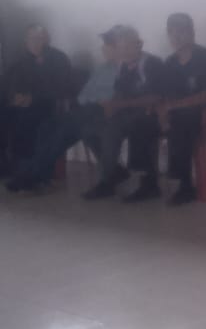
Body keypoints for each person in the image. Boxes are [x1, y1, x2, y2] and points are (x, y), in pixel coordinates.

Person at [6, 26, 123, 192]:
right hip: (84, 109)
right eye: (105, 44)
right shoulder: (104, 68)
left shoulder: (124, 70)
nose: (103, 48)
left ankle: (30, 176)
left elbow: (111, 98)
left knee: (62, 130)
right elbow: (84, 95)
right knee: (47, 127)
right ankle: (35, 175)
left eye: (108, 44)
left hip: (100, 111)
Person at [84, 27, 164, 203]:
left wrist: (119, 105)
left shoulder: (152, 63)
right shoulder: (122, 65)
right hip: (126, 113)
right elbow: (118, 92)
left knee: (121, 129)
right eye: (120, 48)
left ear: (139, 44)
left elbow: (156, 97)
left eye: (128, 47)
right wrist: (110, 104)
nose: (124, 52)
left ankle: (147, 184)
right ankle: (113, 174)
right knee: (90, 130)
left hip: (151, 114)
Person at [159, 13, 206, 206]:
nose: (176, 37)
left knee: (179, 124)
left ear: (192, 33)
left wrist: (173, 107)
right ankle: (147, 182)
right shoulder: (169, 62)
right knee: (144, 122)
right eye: (172, 33)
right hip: (177, 114)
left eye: (181, 32)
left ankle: (184, 185)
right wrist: (163, 114)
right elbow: (166, 96)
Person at [0, 24, 73, 169]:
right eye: (31, 38)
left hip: (47, 103)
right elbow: (8, 83)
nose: (35, 42)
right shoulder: (20, 59)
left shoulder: (59, 58)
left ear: (47, 40)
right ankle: (4, 164)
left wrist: (32, 97)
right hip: (20, 102)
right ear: (25, 41)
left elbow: (62, 88)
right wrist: (14, 97)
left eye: (39, 38)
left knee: (27, 117)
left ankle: (24, 165)